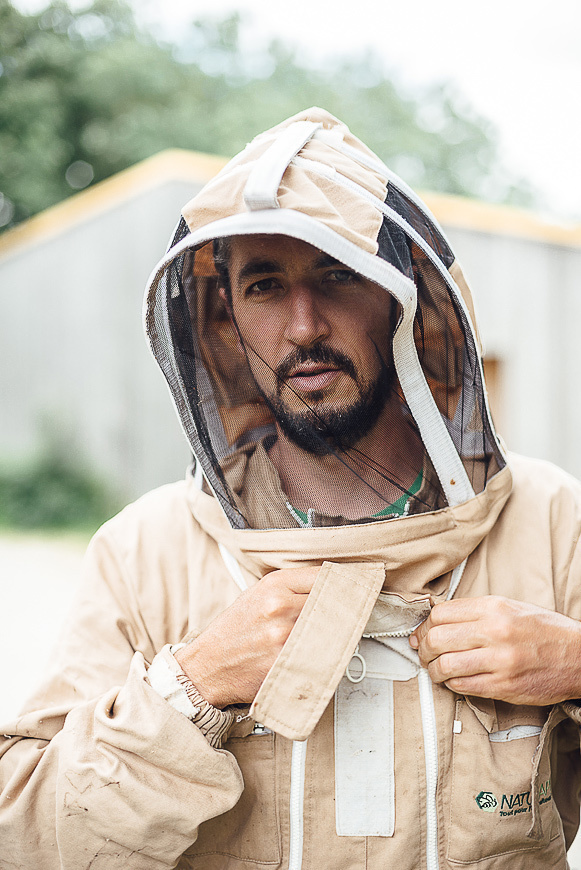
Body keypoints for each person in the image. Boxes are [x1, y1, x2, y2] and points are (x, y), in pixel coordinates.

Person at [2, 107, 581, 869]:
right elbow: (26, 837)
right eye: (265, 285)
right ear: (223, 324)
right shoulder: (148, 552)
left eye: (338, 274)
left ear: (401, 299)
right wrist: (192, 688)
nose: (304, 325)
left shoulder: (550, 521)